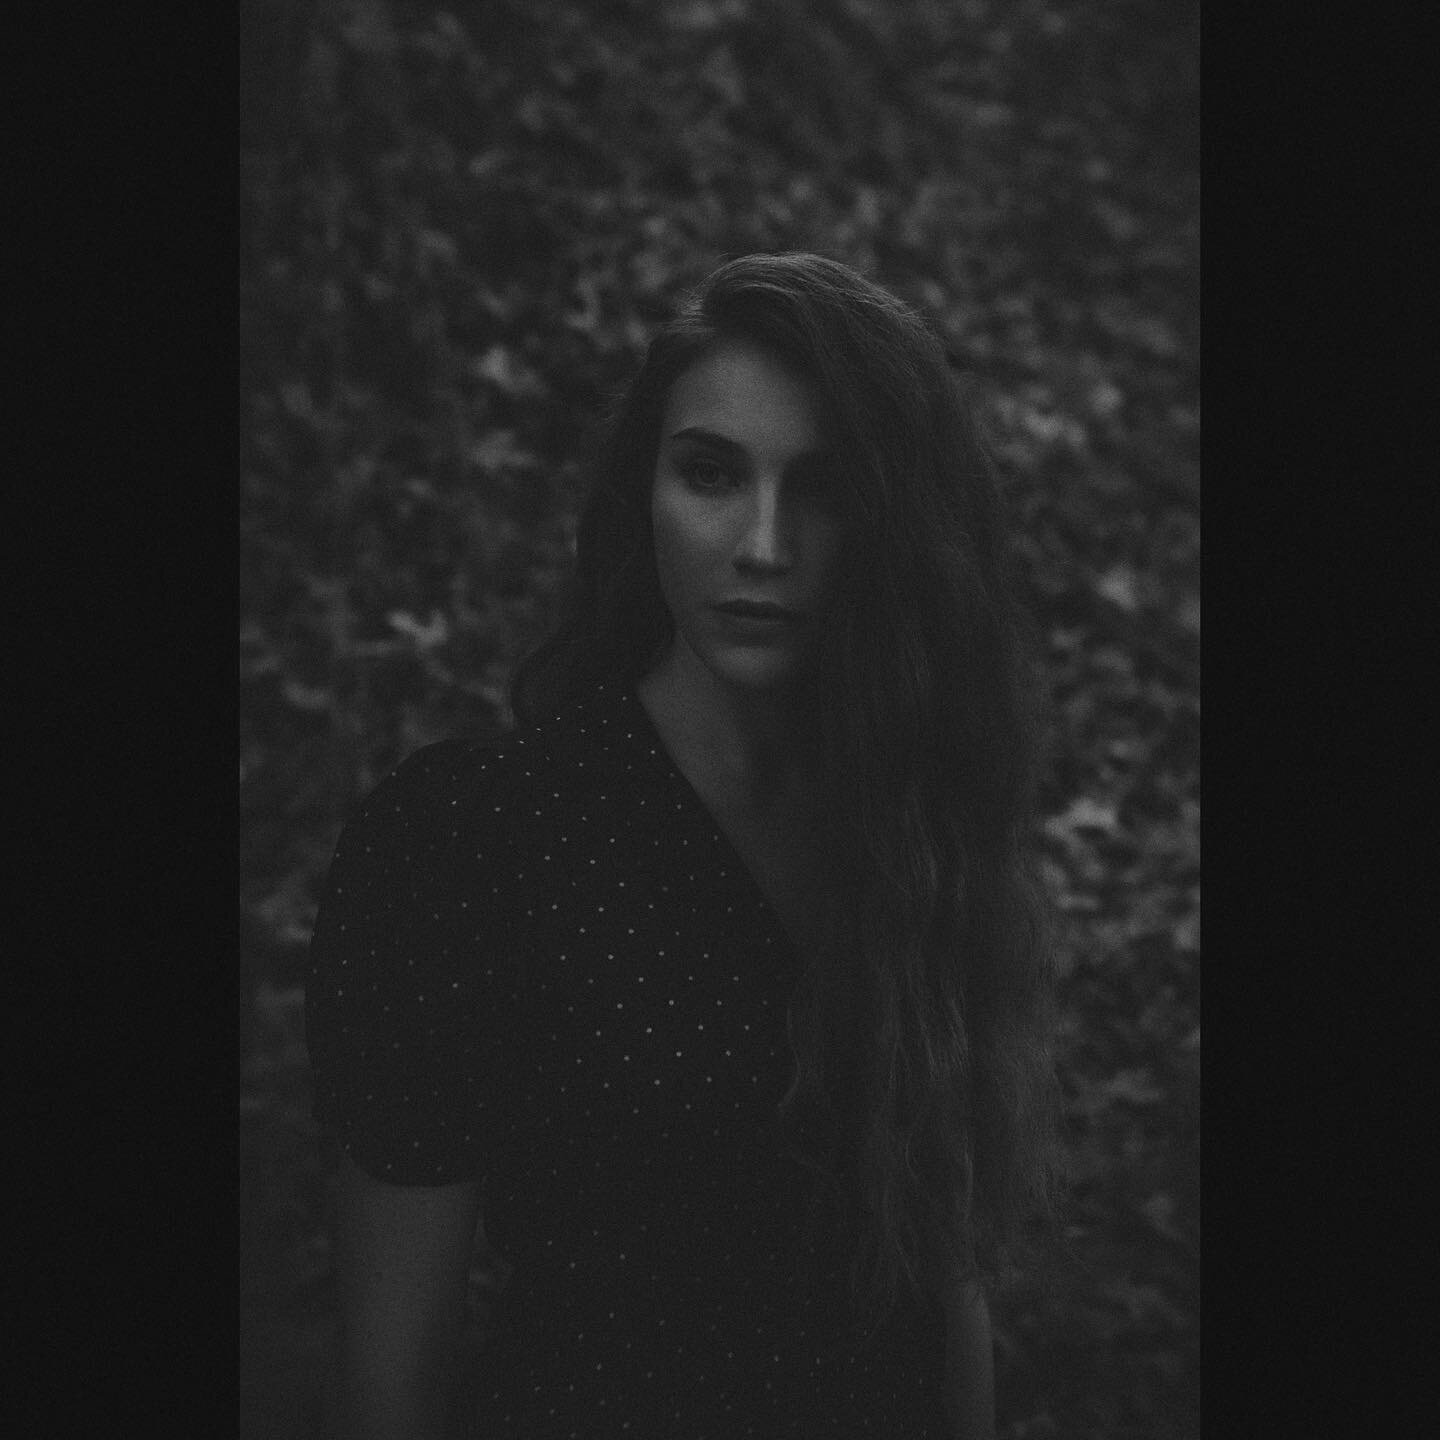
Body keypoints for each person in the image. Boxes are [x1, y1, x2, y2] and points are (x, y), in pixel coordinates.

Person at [306, 252, 1060, 1439]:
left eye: (824, 487)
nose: (763, 543)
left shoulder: (912, 819)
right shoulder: (476, 837)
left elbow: (937, 1266)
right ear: (641, 492)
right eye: (711, 473)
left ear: (899, 527)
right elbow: (391, 1390)